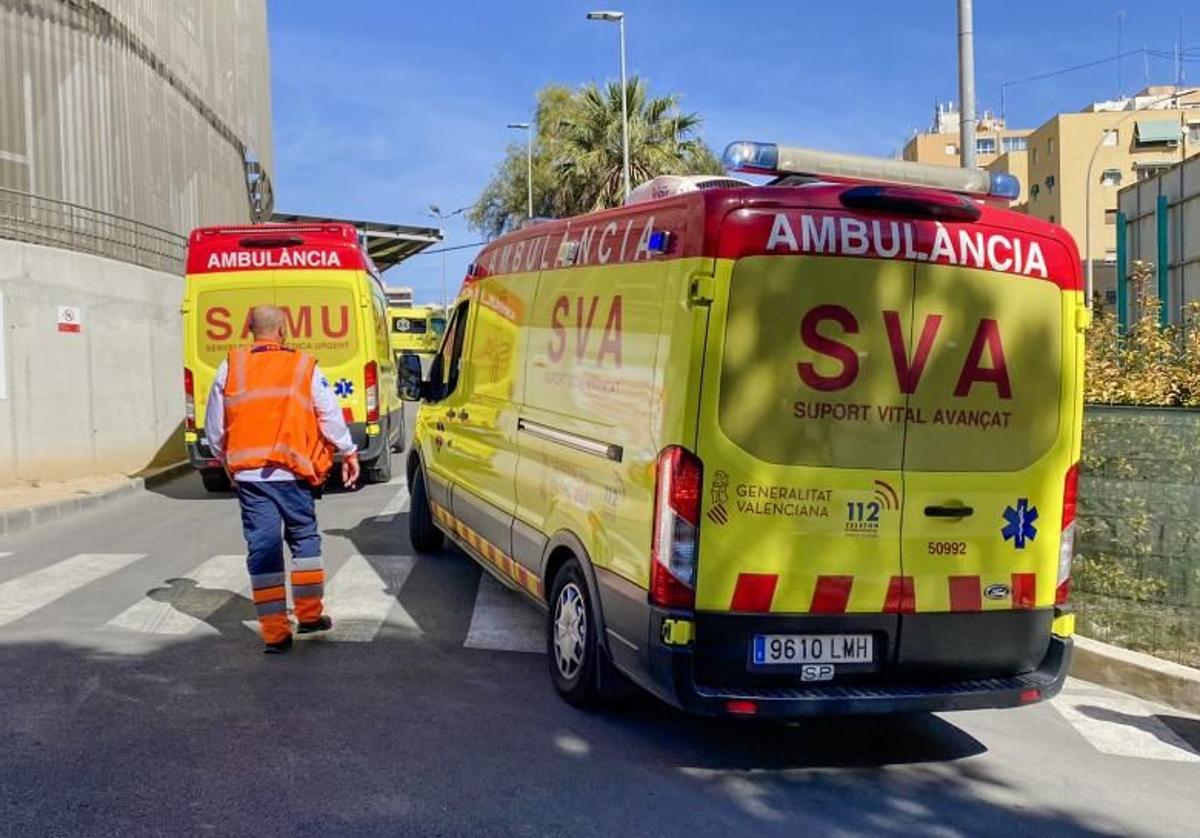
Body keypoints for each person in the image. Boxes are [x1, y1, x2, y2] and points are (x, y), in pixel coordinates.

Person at [205, 305, 361, 653]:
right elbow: (329, 415)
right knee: (304, 539)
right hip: (293, 472)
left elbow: (214, 426)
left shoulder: (231, 366)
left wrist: (225, 458)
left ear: (249, 329)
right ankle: (308, 616)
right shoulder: (304, 366)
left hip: (249, 475)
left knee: (263, 548)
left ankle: (275, 634)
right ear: (283, 331)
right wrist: (348, 452)